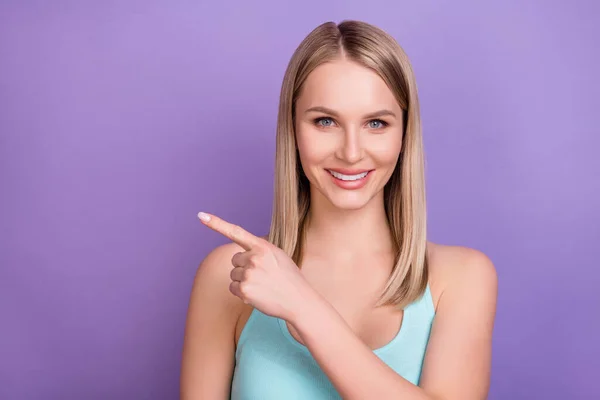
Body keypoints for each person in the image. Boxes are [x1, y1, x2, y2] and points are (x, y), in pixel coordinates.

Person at [180, 19, 498, 400]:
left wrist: (303, 306)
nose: (350, 152)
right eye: (325, 121)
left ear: (404, 135)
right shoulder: (231, 275)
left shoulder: (460, 278)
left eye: (376, 123)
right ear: (293, 129)